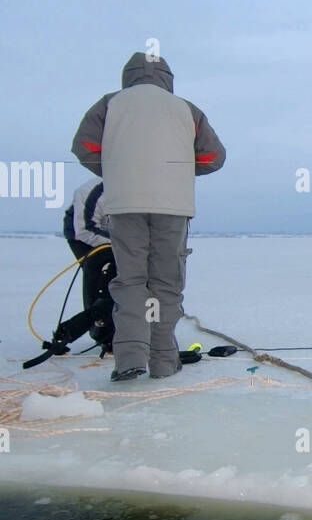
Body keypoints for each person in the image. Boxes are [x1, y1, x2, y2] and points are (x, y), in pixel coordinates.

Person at [70, 52, 226, 381]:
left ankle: (128, 360)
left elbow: (84, 146)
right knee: (166, 284)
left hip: (125, 205)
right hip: (173, 207)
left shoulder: (109, 104)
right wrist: (177, 173)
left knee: (130, 281)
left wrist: (117, 171)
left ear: (128, 75)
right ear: (168, 78)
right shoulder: (186, 109)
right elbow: (213, 157)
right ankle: (164, 362)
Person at [59, 177, 117, 354]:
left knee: (126, 281)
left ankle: (125, 330)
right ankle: (101, 332)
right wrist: (124, 245)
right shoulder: (91, 191)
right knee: (101, 282)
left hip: (118, 237)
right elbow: (85, 230)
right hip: (82, 237)